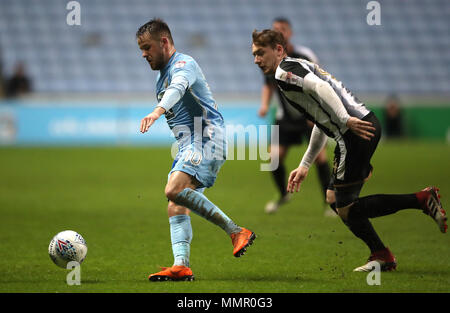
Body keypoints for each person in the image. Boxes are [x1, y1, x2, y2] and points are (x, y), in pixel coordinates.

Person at [251, 29, 447, 272]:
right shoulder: (297, 66)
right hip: (364, 126)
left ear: (279, 50)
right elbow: (321, 121)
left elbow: (321, 87)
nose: (257, 60)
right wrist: (304, 164)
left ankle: (420, 202)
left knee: (345, 207)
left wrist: (344, 119)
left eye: (261, 53)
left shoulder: (284, 72)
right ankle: (382, 252)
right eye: (254, 55)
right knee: (335, 198)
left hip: (354, 134)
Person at [136, 19, 256, 281]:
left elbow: (178, 88)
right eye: (141, 49)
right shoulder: (160, 79)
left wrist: (157, 111)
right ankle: (181, 265)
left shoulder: (183, 64)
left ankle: (236, 231)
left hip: (206, 136)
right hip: (190, 144)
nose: (144, 54)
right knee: (175, 205)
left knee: (173, 189)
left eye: (147, 47)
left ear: (164, 42)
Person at [258, 18, 332, 215]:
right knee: (273, 157)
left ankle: (330, 202)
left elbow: (319, 83)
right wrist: (264, 105)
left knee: (320, 158)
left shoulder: (304, 55)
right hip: (285, 117)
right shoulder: (269, 56)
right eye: (275, 29)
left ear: (290, 33)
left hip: (309, 115)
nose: (278, 32)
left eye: (282, 29)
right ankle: (283, 194)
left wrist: (317, 111)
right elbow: (268, 85)